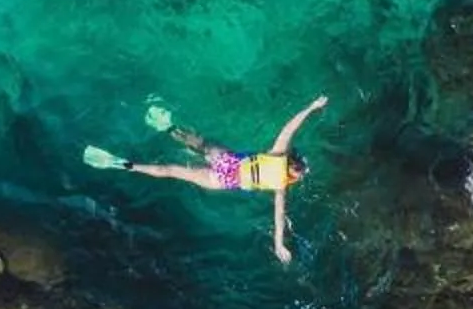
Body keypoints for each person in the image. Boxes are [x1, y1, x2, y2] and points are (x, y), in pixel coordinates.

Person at [87, 94, 328, 263]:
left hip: (228, 162)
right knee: (172, 171)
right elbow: (278, 216)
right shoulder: (280, 186)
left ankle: (168, 128)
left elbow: (289, 128)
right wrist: (278, 244)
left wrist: (312, 107)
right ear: (294, 172)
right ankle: (124, 164)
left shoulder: (279, 153)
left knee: (200, 144)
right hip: (223, 179)